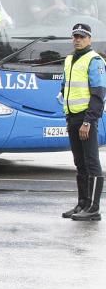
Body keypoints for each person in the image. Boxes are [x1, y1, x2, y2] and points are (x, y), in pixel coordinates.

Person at [61, 22, 106, 221]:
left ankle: (94, 208)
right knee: (80, 163)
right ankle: (82, 204)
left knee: (92, 162)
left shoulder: (94, 60)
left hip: (85, 118)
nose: (77, 40)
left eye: (82, 37)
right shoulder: (70, 59)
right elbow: (65, 86)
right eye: (75, 36)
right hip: (72, 116)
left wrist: (88, 121)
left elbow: (98, 95)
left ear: (89, 39)